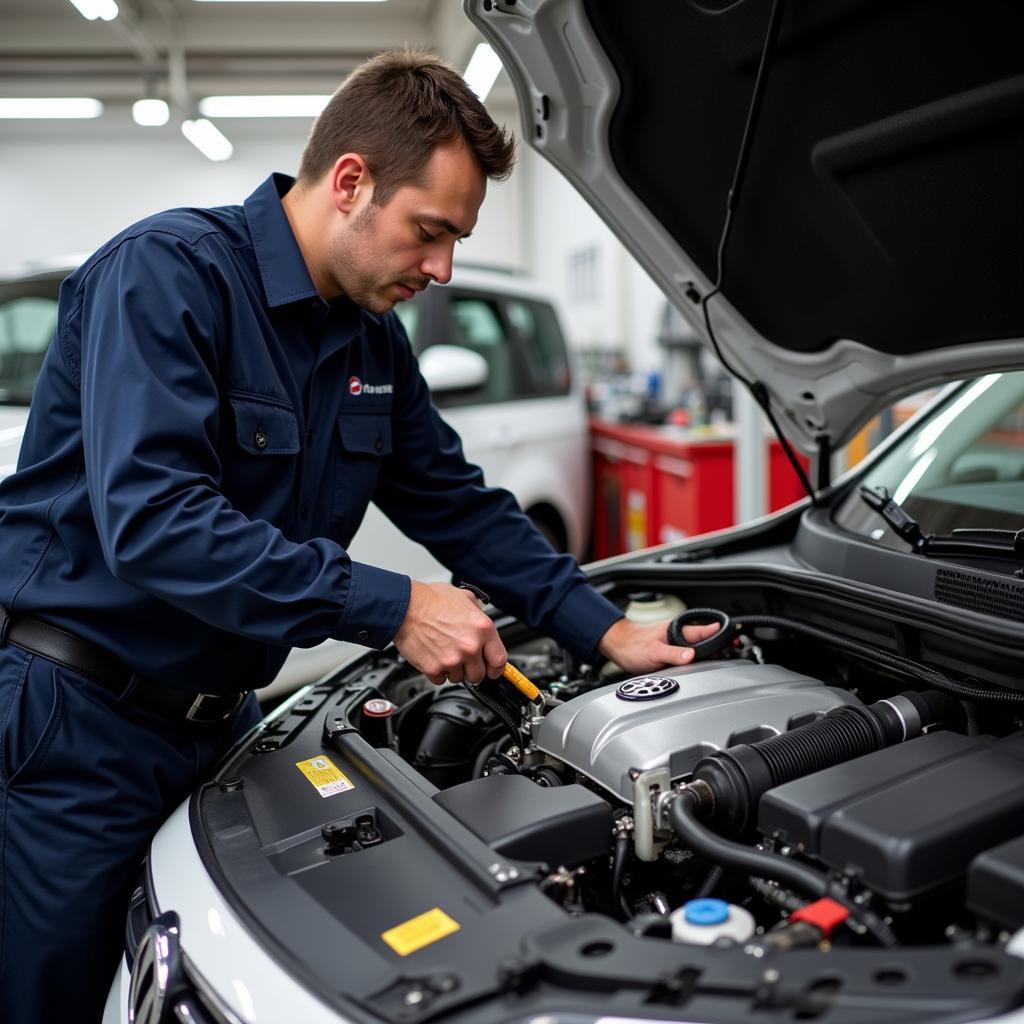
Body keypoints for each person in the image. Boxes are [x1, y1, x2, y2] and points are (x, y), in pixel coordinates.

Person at [0, 49, 715, 1021]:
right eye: (430, 232)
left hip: (223, 727)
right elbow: (156, 524)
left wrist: (604, 630)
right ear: (350, 182)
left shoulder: (371, 342)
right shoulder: (167, 278)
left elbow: (455, 502)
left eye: (455, 240)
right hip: (79, 729)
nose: (441, 268)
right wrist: (396, 606)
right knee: (62, 997)